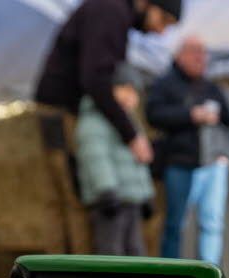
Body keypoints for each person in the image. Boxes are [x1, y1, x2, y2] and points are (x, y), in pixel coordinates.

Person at [35, 0, 181, 165]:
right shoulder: (110, 11)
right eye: (163, 20)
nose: (162, 31)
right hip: (62, 112)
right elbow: (96, 79)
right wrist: (131, 135)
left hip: (69, 111)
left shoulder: (116, 13)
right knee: (68, 174)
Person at [146, 36, 229, 266]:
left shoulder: (212, 88)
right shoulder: (165, 84)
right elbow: (153, 115)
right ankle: (170, 274)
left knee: (212, 221)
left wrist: (225, 154)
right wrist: (190, 115)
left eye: (203, 52)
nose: (200, 57)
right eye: (194, 51)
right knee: (176, 222)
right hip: (179, 162)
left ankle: (210, 273)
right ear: (180, 55)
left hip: (212, 163)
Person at [76, 64, 155, 258]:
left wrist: (147, 194)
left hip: (132, 199)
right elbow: (95, 157)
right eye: (124, 89)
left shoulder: (131, 125)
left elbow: (139, 163)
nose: (130, 96)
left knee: (135, 250)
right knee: (111, 251)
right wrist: (106, 189)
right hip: (110, 202)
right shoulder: (94, 122)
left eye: (134, 91)